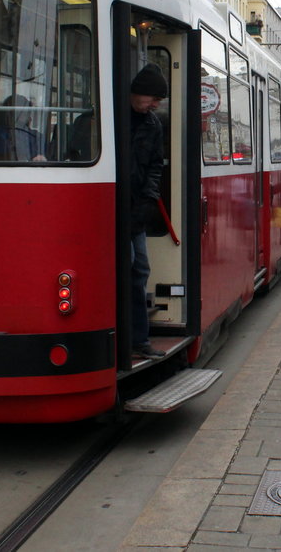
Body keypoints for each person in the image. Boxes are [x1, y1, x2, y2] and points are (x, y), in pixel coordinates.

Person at [128, 63, 168, 360]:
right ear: (138, 93)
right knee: (128, 267)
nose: (155, 105)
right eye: (153, 98)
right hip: (112, 207)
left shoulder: (152, 124)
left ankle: (139, 339)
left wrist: (148, 200)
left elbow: (156, 166)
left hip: (136, 210)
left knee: (139, 270)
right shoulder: (111, 116)